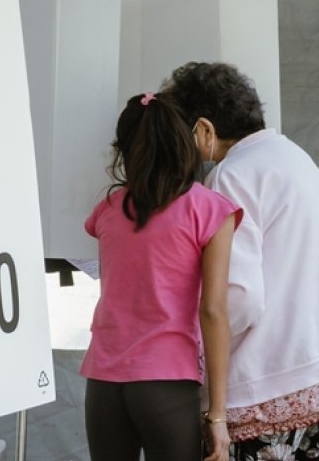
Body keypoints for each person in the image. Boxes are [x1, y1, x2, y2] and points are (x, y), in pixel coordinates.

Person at [161, 62, 319, 461]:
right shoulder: (296, 157)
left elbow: (237, 299)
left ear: (203, 129)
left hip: (267, 382)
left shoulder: (230, 176)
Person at [81, 92, 241, 461]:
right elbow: (213, 311)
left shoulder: (108, 209)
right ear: (184, 143)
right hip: (166, 382)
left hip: (104, 380)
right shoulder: (210, 209)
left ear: (123, 150)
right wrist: (217, 416)